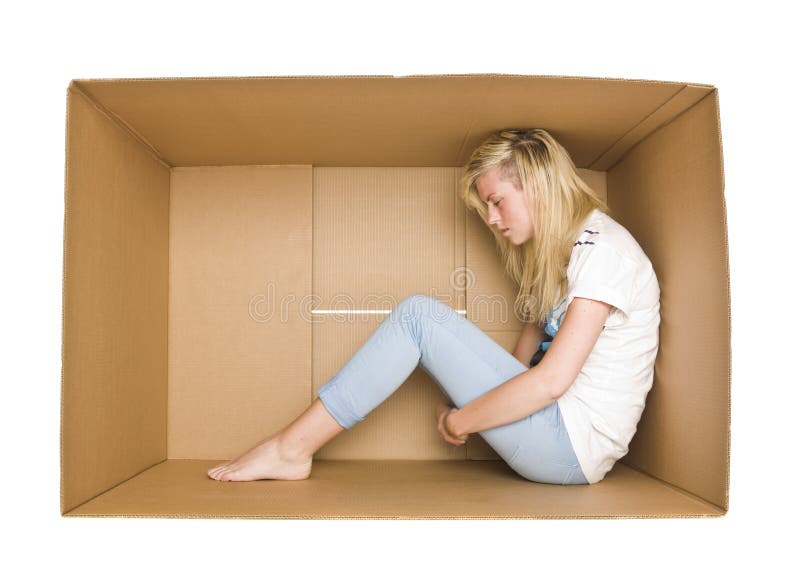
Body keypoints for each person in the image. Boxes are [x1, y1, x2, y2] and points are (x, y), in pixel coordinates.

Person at [207, 128, 660, 485]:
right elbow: (532, 336)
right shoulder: (567, 251)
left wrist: (464, 418)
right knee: (421, 320)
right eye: (487, 208)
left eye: (497, 202)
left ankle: (290, 449)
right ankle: (289, 448)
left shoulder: (606, 253)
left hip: (569, 447)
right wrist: (467, 396)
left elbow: (550, 383)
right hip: (554, 432)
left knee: (417, 317)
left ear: (538, 184)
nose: (492, 220)